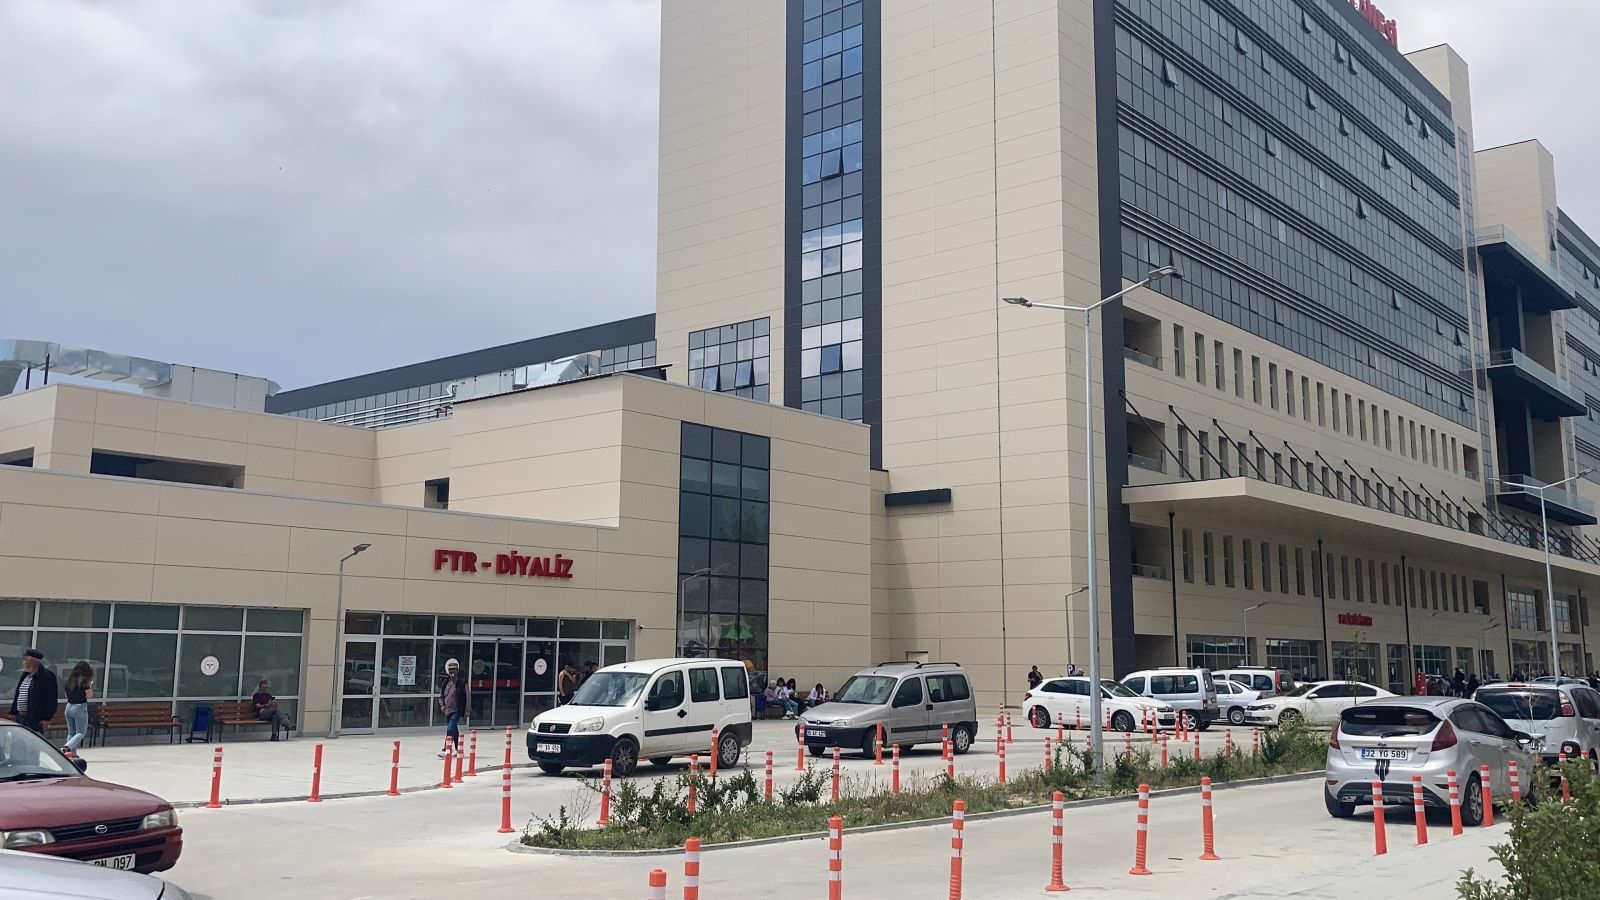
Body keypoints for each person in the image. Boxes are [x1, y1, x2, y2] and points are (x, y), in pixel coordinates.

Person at [8, 649, 59, 735]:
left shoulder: (46, 676)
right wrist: (14, 711)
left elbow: (51, 698)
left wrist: (46, 718)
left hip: (34, 719)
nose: (23, 663)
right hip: (20, 717)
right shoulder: (25, 675)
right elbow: (18, 693)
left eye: (25, 660)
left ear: (33, 662)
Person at [437, 658, 468, 758]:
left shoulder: (462, 683)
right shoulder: (445, 682)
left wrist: (467, 710)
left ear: (457, 670)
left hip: (457, 710)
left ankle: (446, 750)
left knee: (450, 729)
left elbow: (468, 697)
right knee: (454, 730)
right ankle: (459, 750)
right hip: (447, 710)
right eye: (450, 669)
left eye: (454, 669)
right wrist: (442, 705)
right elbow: (441, 695)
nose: (452, 671)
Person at [61, 661, 94, 755]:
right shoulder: (84, 682)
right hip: (79, 707)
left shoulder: (68, 681)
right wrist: (90, 686)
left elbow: (67, 695)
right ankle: (67, 747)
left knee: (71, 733)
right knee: (81, 732)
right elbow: (89, 696)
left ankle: (72, 754)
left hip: (69, 707)